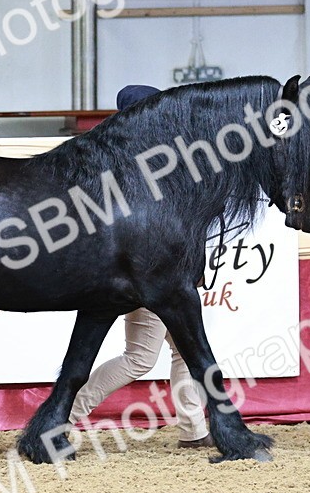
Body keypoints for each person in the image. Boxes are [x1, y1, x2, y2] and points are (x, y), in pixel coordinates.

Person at [67, 83, 215, 449]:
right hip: (153, 273)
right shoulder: (151, 162)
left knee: (180, 351)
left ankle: (195, 430)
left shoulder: (124, 159)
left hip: (153, 270)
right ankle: (67, 412)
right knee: (141, 358)